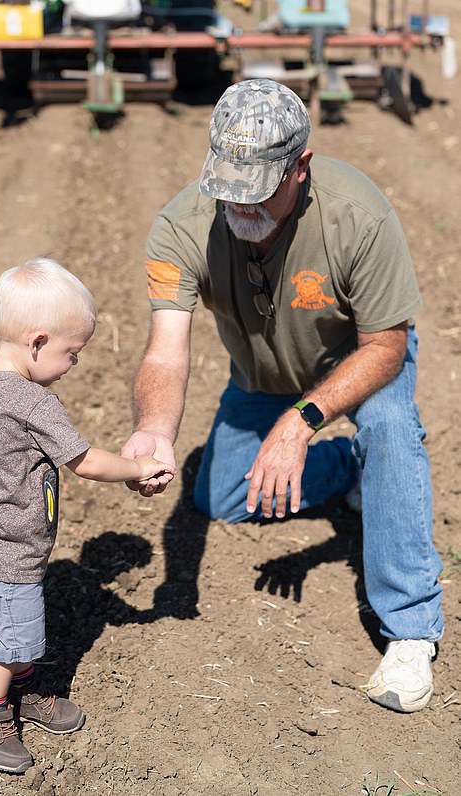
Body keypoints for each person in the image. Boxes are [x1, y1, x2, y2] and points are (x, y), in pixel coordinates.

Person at [121, 79, 443, 713]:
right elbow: (165, 350)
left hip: (357, 364)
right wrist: (155, 430)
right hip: (262, 377)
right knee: (221, 495)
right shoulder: (182, 228)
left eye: (259, 187)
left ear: (301, 167)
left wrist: (300, 424)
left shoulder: (357, 216)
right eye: (228, 184)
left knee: (391, 431)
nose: (240, 204)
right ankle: (349, 468)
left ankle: (409, 630)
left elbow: (386, 346)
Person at [0, 258, 173, 774]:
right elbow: (86, 462)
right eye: (72, 353)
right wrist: (138, 466)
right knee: (17, 636)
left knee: (18, 629)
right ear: (38, 342)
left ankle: (21, 694)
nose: (74, 364)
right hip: (6, 558)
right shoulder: (35, 404)